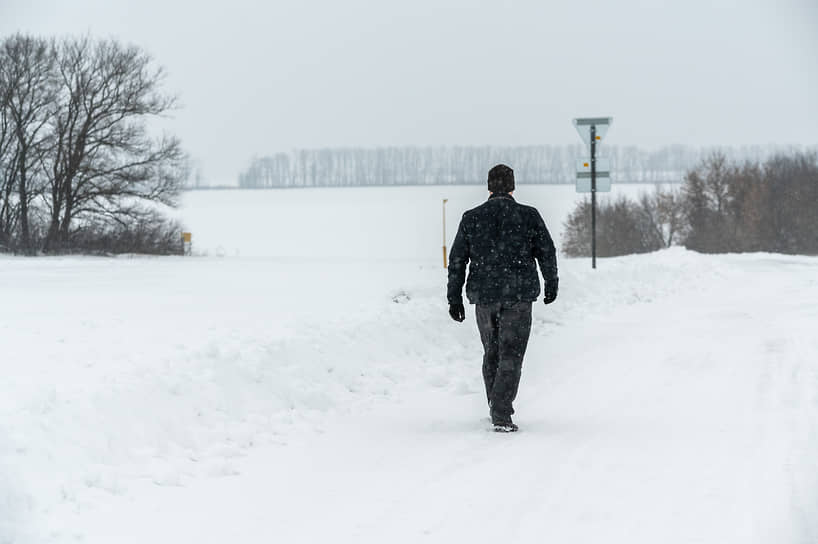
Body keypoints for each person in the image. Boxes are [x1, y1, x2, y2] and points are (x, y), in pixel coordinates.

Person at [447, 164, 558, 432]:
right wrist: (551, 281)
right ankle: (501, 412)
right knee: (511, 353)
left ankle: (496, 405)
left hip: (484, 297)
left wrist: (454, 297)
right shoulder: (528, 216)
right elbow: (547, 251)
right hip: (518, 296)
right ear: (512, 186)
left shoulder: (472, 217)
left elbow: (458, 260)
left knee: (492, 352)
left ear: (488, 187)